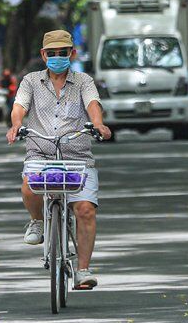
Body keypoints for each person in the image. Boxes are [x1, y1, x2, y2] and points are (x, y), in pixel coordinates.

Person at [7, 29, 111, 290]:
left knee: (85, 209)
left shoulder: (84, 81)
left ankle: (83, 270)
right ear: (43, 55)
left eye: (62, 53)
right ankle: (38, 221)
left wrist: (98, 124)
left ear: (71, 54)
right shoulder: (31, 81)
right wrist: (15, 126)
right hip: (40, 152)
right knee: (29, 186)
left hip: (77, 156)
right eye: (51, 53)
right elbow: (19, 106)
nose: (57, 57)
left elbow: (93, 104)